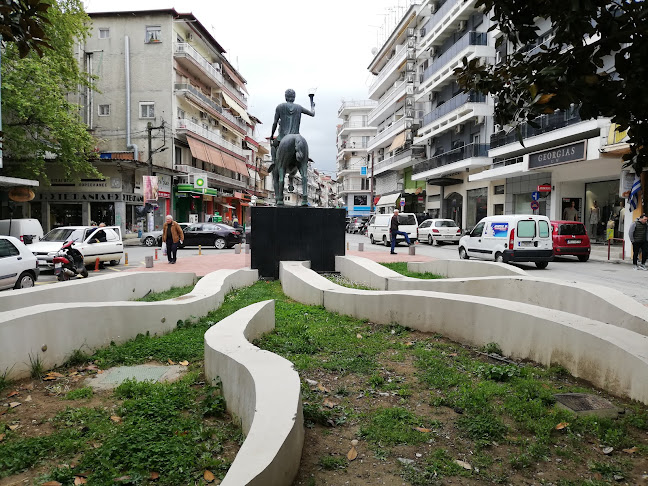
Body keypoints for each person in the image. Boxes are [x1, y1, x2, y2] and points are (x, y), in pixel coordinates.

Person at [269, 89, 315, 165]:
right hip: (297, 135)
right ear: (294, 97)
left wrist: (271, 135)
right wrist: (312, 106)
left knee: (274, 145)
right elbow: (312, 114)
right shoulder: (299, 107)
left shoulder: (280, 107)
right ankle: (304, 159)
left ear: (285, 97)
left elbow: (275, 123)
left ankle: (273, 161)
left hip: (283, 136)